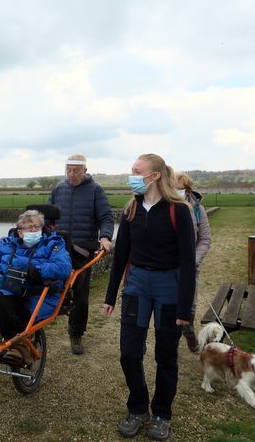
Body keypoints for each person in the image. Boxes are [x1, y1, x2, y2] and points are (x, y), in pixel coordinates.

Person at [103, 154, 195, 441]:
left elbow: (188, 262)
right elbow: (121, 256)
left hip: (169, 285)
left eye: (136, 171)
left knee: (166, 355)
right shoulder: (131, 210)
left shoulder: (178, 211)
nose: (131, 175)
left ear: (154, 176)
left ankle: (162, 414)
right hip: (137, 285)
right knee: (129, 353)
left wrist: (185, 308)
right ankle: (138, 407)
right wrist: (110, 296)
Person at [0, 209, 72, 364]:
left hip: (34, 291)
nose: (33, 230)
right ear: (20, 232)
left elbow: (63, 267)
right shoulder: (6, 243)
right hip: (8, 286)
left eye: (37, 226)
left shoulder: (53, 244)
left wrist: (34, 270)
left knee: (2, 302)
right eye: (29, 227)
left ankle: (19, 346)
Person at [49, 154, 114, 355]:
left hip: (83, 250)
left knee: (80, 295)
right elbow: (48, 218)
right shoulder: (58, 190)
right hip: (59, 248)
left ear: (85, 170)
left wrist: (105, 237)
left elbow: (105, 217)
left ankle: (76, 334)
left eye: (76, 170)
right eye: (68, 170)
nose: (72, 174)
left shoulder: (95, 190)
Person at [175, 172, 212, 351]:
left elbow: (205, 239)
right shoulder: (167, 206)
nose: (176, 191)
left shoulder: (198, 210)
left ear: (187, 190)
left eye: (179, 188)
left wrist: (192, 262)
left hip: (190, 268)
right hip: (170, 267)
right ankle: (172, 340)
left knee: (189, 304)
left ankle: (189, 333)